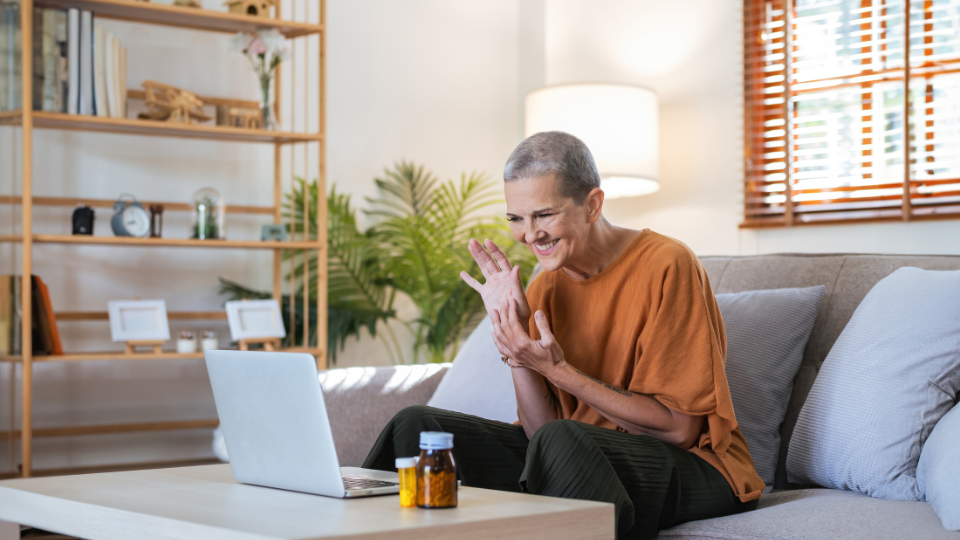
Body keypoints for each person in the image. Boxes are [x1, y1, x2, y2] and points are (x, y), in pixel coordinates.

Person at [363, 131, 764, 539]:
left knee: (563, 439)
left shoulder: (667, 264)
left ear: (592, 204)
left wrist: (560, 372)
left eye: (544, 215)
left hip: (697, 465)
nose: (529, 235)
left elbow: (681, 429)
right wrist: (517, 346)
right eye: (516, 219)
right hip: (576, 456)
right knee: (415, 426)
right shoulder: (544, 287)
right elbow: (539, 436)